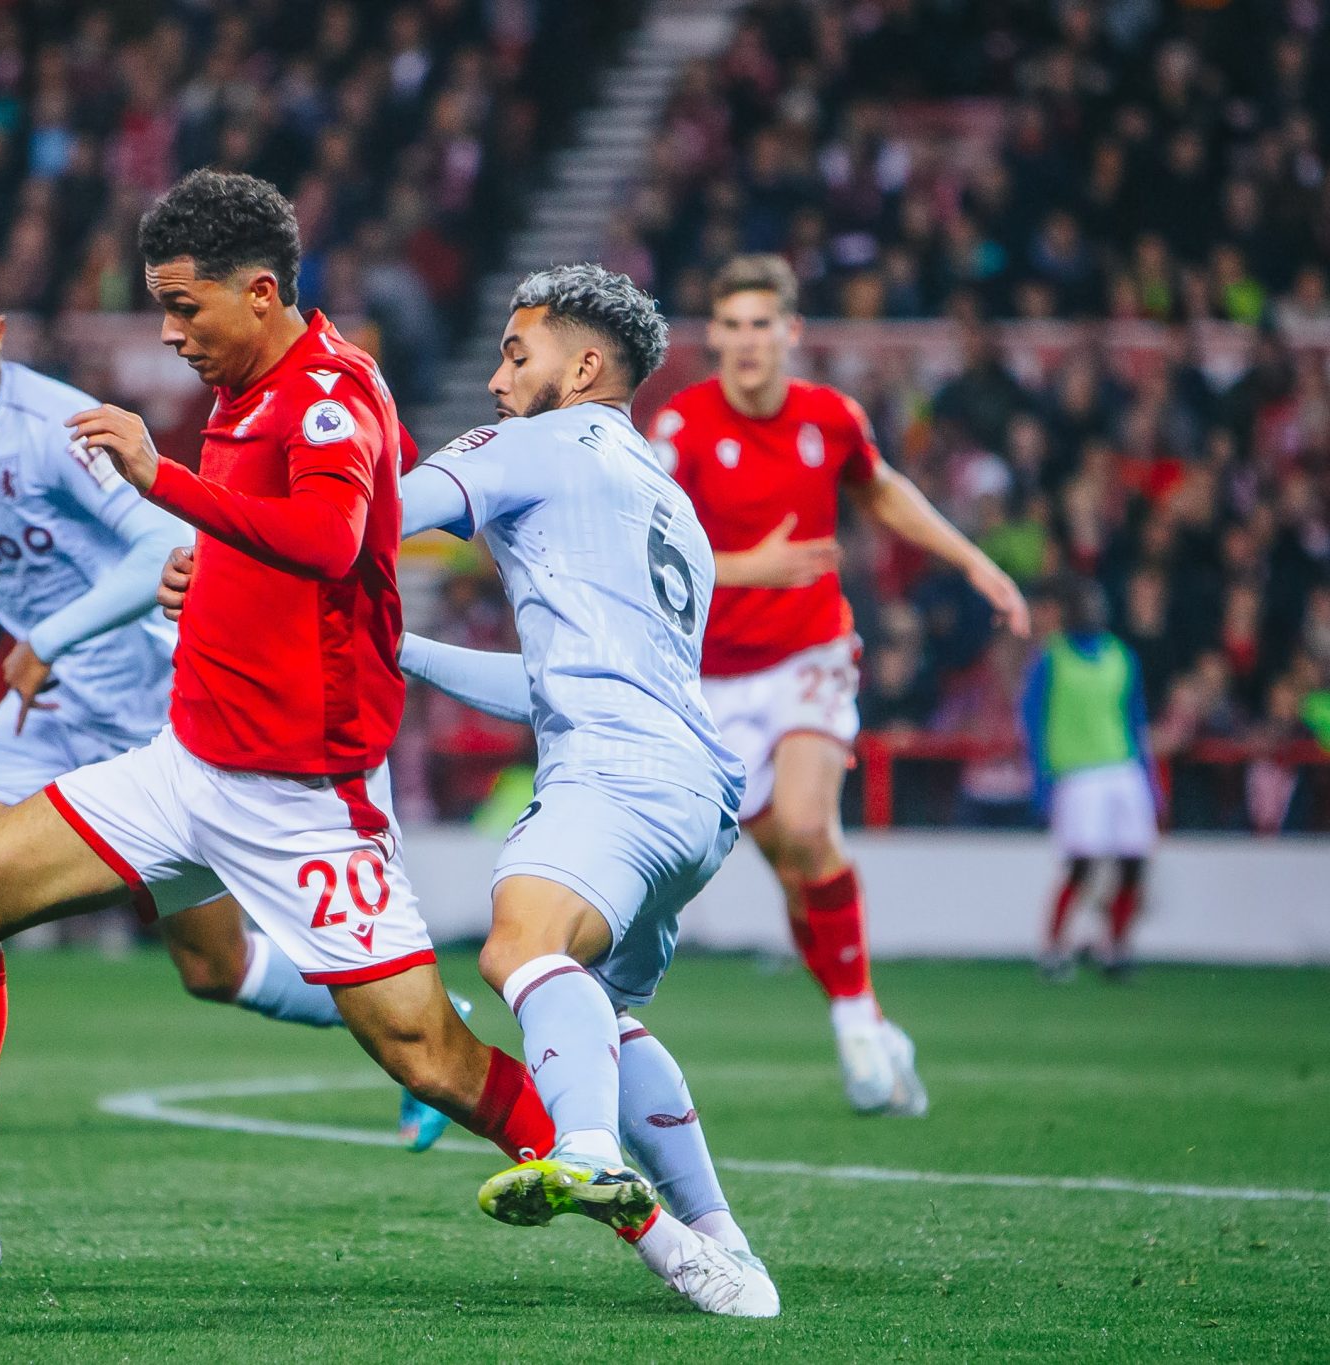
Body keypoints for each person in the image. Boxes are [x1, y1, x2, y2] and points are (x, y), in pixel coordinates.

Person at [0, 173, 556, 1301]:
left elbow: (207, 532)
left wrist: (75, 611)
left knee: (229, 974)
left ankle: (602, 1162)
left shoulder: (92, 426)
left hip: (182, 715)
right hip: (79, 723)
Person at [170, 266, 778, 1317]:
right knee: (595, 1014)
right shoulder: (665, 500)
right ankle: (722, 1241)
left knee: (518, 946)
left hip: (614, 773)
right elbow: (552, 684)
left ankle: (585, 1149)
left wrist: (221, 549)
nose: (497, 381)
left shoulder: (536, 443)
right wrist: (400, 649)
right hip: (693, 794)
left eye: (516, 353)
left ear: (582, 368)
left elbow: (366, 520)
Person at [649, 254, 1031, 1117]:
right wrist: (746, 567)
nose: (747, 342)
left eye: (762, 325)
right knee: (793, 870)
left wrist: (974, 562)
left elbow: (883, 491)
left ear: (791, 333)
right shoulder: (681, 426)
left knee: (808, 824)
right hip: (713, 680)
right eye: (731, 326)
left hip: (810, 654)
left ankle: (856, 1024)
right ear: (715, 337)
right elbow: (644, 546)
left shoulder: (830, 417)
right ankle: (868, 1020)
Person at [1022, 576, 1158, 981]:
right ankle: (1053, 949)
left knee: (1133, 862)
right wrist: (1042, 779)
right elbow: (1033, 719)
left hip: (1123, 768)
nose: (1092, 611)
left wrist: (1149, 779)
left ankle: (1116, 948)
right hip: (1078, 774)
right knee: (1081, 866)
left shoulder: (1121, 656)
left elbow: (1135, 719)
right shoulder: (1053, 659)